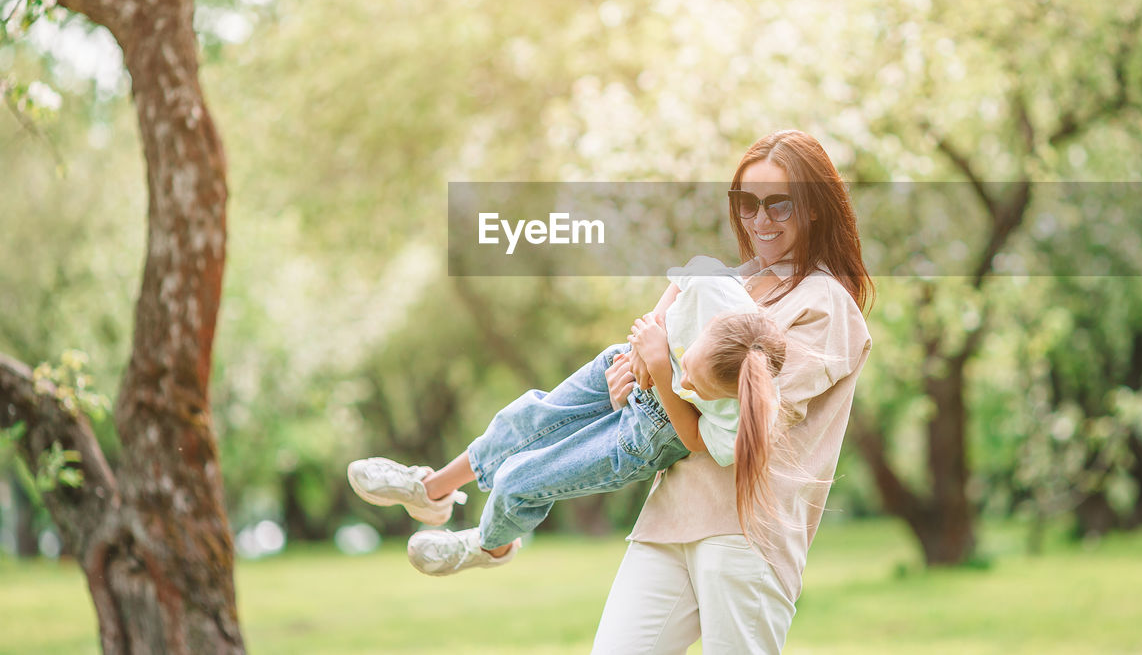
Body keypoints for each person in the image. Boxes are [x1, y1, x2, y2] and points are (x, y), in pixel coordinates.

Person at [591, 130, 874, 654]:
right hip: (669, 515)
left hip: (747, 535)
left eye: (778, 204)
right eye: (746, 203)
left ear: (813, 208)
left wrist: (662, 367)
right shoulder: (729, 288)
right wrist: (630, 378)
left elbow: (745, 427)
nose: (760, 220)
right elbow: (669, 375)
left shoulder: (827, 305)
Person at [347, 256, 789, 575]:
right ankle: (431, 490)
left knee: (522, 480)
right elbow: (686, 278)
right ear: (709, 326)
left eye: (697, 390)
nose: (686, 382)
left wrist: (661, 370)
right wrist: (643, 349)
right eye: (688, 368)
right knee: (525, 419)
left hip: (645, 436)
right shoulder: (717, 291)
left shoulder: (746, 413)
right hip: (625, 367)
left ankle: (490, 545)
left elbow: (693, 438)